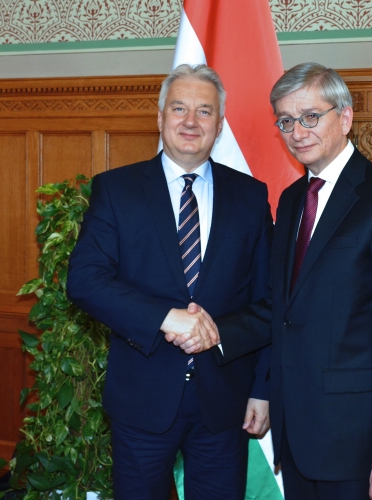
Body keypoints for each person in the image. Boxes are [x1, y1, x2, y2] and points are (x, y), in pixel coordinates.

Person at [173, 62, 372, 500]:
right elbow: (282, 308)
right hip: (297, 434)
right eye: (286, 121)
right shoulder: (293, 200)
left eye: (311, 117)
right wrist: (212, 331)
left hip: (358, 441)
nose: (297, 132)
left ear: (345, 117)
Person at [66, 63, 272, 499]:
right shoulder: (116, 190)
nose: (191, 121)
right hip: (142, 400)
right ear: (160, 118)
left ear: (219, 124)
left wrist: (262, 389)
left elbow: (269, 301)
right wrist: (166, 317)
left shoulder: (251, 196)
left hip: (225, 403)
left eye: (204, 111)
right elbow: (85, 280)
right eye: (179, 108)